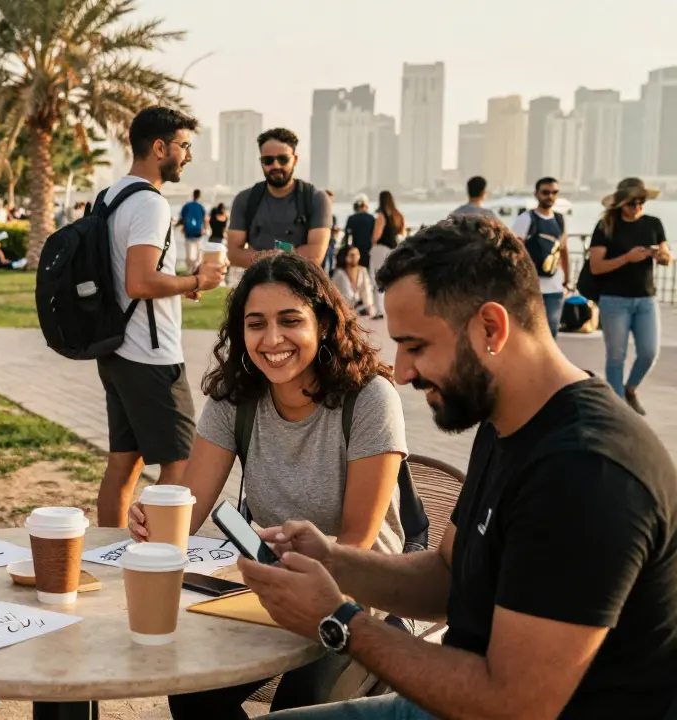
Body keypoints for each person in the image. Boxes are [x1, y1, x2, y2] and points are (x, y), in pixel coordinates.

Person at [239, 217, 677, 720]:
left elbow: (514, 706)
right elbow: (449, 576)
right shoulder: (509, 419)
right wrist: (334, 561)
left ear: (491, 328)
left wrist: (338, 619)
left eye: (416, 346)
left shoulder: (586, 473)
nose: (401, 373)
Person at [126, 252, 408, 717]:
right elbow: (189, 508)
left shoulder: (370, 399)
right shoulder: (234, 398)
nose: (272, 339)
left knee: (298, 706)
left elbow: (357, 544)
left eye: (290, 320)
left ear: (322, 322)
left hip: (361, 594)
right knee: (192, 689)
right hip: (271, 588)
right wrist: (153, 519)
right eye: (255, 324)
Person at [96, 106, 227, 528]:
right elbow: (139, 281)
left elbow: (128, 275)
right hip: (150, 356)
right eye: (184, 146)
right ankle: (160, 556)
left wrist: (176, 285)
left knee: (124, 464)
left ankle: (107, 551)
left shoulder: (110, 196)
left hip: (116, 349)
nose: (187, 155)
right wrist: (196, 282)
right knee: (180, 466)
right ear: (159, 147)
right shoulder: (150, 204)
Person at [588, 177, 671, 415]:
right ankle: (618, 408)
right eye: (632, 203)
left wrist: (661, 256)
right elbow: (596, 266)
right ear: (621, 204)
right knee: (616, 356)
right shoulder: (606, 227)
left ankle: (630, 388)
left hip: (646, 299)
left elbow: (667, 256)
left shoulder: (653, 224)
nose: (637, 208)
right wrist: (627, 258)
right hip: (614, 300)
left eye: (641, 202)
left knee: (649, 352)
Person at [227, 128, 332, 269]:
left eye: (283, 159)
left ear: (294, 160)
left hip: (301, 287)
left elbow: (315, 255)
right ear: (261, 162)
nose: (276, 165)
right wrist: (286, 254)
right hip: (258, 285)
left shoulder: (316, 199)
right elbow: (234, 254)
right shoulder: (245, 199)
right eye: (268, 160)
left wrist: (263, 257)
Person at [510, 177, 571, 339]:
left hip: (555, 287)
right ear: (537, 194)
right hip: (531, 287)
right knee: (529, 333)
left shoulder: (560, 219)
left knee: (551, 333)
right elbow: (513, 250)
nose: (550, 196)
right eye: (545, 192)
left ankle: (545, 365)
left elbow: (563, 249)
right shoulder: (526, 219)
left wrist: (567, 279)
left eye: (554, 192)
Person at [368, 191, 404, 320]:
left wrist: (372, 243)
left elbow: (376, 235)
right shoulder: (397, 215)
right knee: (392, 280)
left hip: (380, 248)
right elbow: (402, 232)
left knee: (377, 279)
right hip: (393, 248)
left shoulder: (381, 216)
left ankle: (380, 310)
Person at [332, 245, 374, 316]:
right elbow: (333, 293)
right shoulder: (339, 274)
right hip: (343, 311)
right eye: (351, 255)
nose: (355, 257)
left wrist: (368, 306)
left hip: (360, 309)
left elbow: (367, 290)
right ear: (345, 257)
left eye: (357, 254)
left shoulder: (362, 270)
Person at [179, 189, 209, 271]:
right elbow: (206, 219)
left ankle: (190, 271)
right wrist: (205, 229)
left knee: (189, 256)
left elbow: (182, 219)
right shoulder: (201, 207)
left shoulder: (187, 206)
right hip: (198, 234)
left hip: (188, 234)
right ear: (200, 196)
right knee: (198, 256)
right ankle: (195, 271)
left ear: (193, 195)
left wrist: (183, 228)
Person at [344, 194, 375, 269]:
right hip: (368, 249)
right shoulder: (371, 218)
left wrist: (348, 248)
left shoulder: (351, 218)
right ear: (365, 205)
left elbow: (348, 236)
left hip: (355, 250)